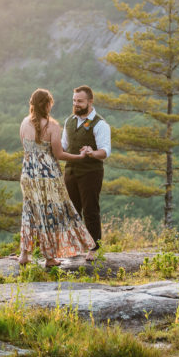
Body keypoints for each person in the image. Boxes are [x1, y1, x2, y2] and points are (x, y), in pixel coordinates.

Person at [18, 88, 95, 267]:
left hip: (28, 174)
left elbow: (26, 149)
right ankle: (50, 258)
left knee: (29, 211)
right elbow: (59, 154)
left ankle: (24, 254)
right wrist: (80, 157)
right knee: (49, 214)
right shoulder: (52, 126)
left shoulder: (24, 123)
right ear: (47, 104)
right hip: (48, 176)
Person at [61, 85, 110, 252]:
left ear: (90, 101)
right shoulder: (69, 121)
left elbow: (105, 152)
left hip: (91, 173)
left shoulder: (100, 124)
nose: (76, 104)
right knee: (71, 212)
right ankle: (75, 247)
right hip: (70, 172)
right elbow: (63, 146)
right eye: (74, 101)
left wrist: (92, 152)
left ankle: (94, 249)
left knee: (90, 211)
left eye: (80, 101)